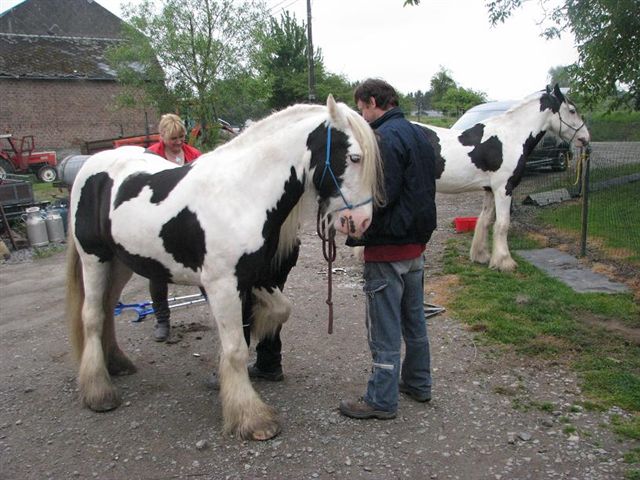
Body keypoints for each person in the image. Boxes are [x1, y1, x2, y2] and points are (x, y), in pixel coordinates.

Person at [339, 78, 437, 420]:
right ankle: (418, 383)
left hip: (388, 248)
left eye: (362, 108)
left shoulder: (381, 139)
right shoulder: (419, 134)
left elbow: (380, 195)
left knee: (384, 327)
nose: (362, 116)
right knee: (414, 321)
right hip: (416, 247)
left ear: (370, 102)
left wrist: (353, 228)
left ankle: (381, 399)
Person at [146, 114, 202, 342]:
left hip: (188, 220)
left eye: (181, 137)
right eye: (173, 139)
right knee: (157, 271)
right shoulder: (150, 156)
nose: (178, 142)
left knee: (203, 268)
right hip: (159, 220)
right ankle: (162, 320)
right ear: (162, 137)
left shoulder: (194, 155)